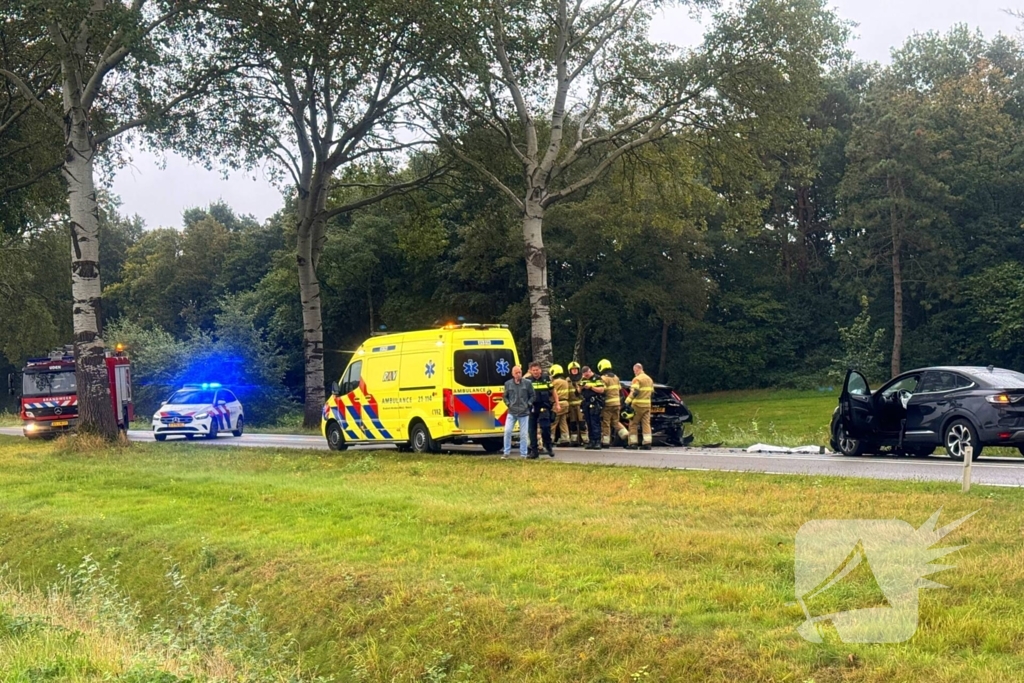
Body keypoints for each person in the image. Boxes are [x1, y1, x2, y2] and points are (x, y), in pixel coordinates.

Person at [527, 361, 560, 458]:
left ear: (540, 370)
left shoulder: (546, 379)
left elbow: (553, 391)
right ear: (530, 371)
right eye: (533, 370)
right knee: (531, 430)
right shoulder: (527, 381)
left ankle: (548, 445)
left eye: (537, 370)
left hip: (544, 406)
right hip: (532, 407)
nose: (536, 372)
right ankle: (534, 451)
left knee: (545, 427)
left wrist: (557, 403)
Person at [501, 365, 534, 458]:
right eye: (516, 373)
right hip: (512, 412)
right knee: (507, 431)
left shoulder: (527, 383)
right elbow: (504, 396)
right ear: (512, 374)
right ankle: (506, 452)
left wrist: (528, 404)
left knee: (523, 434)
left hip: (524, 413)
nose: (518, 374)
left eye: (519, 372)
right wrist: (508, 404)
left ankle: (523, 454)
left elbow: (532, 395)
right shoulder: (508, 384)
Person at [597, 359, 629, 448]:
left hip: (608, 404)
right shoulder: (616, 377)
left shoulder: (603, 378)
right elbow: (619, 390)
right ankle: (625, 434)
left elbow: (602, 391)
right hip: (617, 404)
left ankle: (605, 442)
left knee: (606, 422)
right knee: (615, 422)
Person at [626, 362, 655, 450]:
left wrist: (627, 402)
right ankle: (647, 443)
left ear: (637, 369)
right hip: (647, 405)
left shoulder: (637, 379)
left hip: (637, 405)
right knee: (646, 424)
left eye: (634, 371)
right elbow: (652, 393)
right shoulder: (649, 379)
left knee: (633, 424)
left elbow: (635, 392)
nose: (634, 372)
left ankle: (633, 443)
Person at [579, 366, 605, 449]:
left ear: (590, 371)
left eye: (587, 375)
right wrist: (581, 386)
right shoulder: (583, 379)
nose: (586, 377)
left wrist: (591, 387)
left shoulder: (597, 378)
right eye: (584, 375)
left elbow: (601, 390)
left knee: (595, 422)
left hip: (595, 402)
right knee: (588, 423)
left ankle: (597, 441)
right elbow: (578, 391)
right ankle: (591, 441)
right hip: (586, 402)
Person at [566, 361, 587, 445]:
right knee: (573, 423)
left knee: (582, 423)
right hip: (571, 405)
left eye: (576, 370)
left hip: (580, 404)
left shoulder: (582, 379)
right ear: (569, 371)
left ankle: (585, 439)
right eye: (572, 370)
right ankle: (574, 440)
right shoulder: (567, 380)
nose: (574, 371)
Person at [549, 364, 571, 446]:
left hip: (558, 404)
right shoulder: (565, 381)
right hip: (566, 403)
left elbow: (551, 393)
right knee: (563, 422)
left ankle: (550, 439)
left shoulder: (555, 382)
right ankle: (565, 439)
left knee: (553, 422)